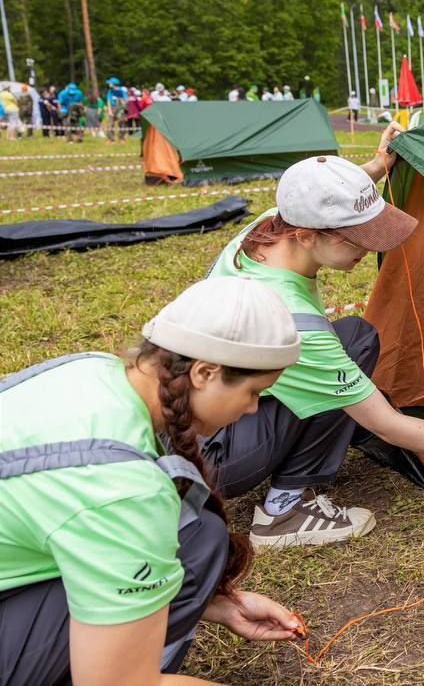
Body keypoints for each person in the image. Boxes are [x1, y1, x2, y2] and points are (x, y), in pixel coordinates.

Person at [203, 129, 424, 546]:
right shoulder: (293, 322)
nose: (368, 249)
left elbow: (316, 198)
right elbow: (388, 427)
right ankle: (282, 513)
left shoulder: (266, 228)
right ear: (307, 237)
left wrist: (375, 168)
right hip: (216, 458)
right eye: (357, 239)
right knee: (346, 356)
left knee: (356, 336)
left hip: (205, 416)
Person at [0, 277, 306, 684]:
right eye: (254, 392)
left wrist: (220, 605)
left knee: (197, 538)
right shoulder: (124, 489)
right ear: (205, 372)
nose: (253, 409)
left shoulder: (90, 370)